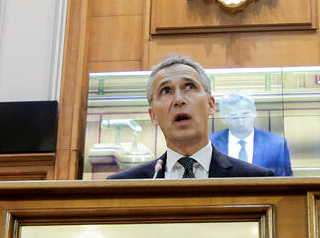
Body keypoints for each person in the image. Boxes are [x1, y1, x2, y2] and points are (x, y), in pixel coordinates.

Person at [108, 55, 273, 179]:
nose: (178, 100)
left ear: (210, 105)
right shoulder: (125, 184)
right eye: (166, 91)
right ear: (153, 116)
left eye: (189, 86)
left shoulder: (254, 179)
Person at [210, 92, 292, 176]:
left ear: (254, 113)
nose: (241, 122)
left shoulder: (276, 144)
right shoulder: (211, 143)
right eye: (233, 116)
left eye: (245, 114)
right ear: (223, 118)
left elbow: (286, 182)